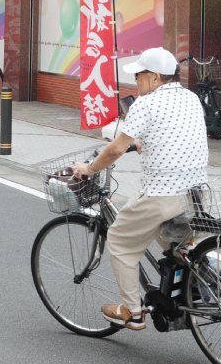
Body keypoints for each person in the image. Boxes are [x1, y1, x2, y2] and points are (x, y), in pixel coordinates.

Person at [71, 47, 208, 330]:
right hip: (194, 193)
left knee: (120, 238)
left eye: (139, 75)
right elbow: (175, 133)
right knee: (178, 247)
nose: (136, 82)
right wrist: (145, 142)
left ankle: (131, 311)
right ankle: (205, 289)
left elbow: (115, 149)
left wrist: (90, 168)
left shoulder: (146, 104)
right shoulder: (191, 97)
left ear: (155, 77)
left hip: (163, 195)